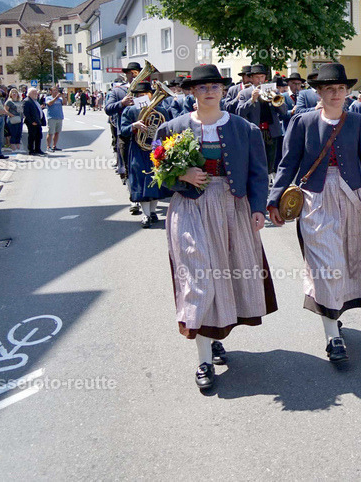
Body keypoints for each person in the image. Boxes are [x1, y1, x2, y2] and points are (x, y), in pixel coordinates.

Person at [153, 64, 278, 391]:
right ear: (192, 91)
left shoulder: (244, 129)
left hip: (231, 207)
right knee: (198, 276)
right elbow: (156, 174)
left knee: (227, 274)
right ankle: (203, 361)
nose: (208, 91)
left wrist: (257, 208)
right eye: (201, 87)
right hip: (191, 207)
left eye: (214, 86)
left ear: (223, 90)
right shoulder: (172, 128)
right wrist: (182, 176)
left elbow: (257, 173)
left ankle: (213, 334)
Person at [268, 62, 361, 363]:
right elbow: (287, 164)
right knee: (325, 263)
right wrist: (274, 199)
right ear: (319, 92)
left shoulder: (359, 123)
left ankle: (333, 314)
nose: (336, 94)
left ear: (347, 91)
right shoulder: (302, 123)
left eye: (341, 88)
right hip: (315, 199)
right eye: (330, 89)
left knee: (347, 258)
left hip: (353, 197)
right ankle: (332, 336)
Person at [119, 81, 173, 227]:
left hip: (156, 147)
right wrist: (133, 126)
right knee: (141, 180)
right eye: (138, 95)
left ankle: (153, 211)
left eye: (145, 94)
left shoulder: (161, 111)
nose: (141, 97)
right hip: (138, 149)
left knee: (156, 179)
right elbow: (122, 130)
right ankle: (146, 214)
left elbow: (168, 130)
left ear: (151, 95)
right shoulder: (130, 111)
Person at [235, 65, 282, 175]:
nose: (260, 80)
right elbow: (239, 112)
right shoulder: (245, 93)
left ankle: (267, 184)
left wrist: (275, 99)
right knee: (256, 161)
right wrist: (252, 100)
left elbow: (283, 111)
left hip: (271, 132)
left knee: (270, 163)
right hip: (255, 132)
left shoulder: (273, 91)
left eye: (262, 77)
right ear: (251, 78)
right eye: (257, 77)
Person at [104, 63, 141, 196]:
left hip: (144, 133)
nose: (134, 75)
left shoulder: (145, 90)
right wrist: (122, 103)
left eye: (137, 72)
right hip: (124, 133)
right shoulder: (117, 91)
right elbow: (108, 109)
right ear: (127, 74)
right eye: (131, 73)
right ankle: (132, 193)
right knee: (127, 166)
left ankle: (145, 196)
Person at [22, 87, 46, 156]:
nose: (36, 94)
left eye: (36, 93)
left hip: (38, 121)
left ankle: (38, 149)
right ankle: (31, 150)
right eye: (34, 93)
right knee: (32, 136)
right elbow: (26, 113)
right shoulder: (27, 101)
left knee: (38, 136)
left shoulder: (35, 101)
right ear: (29, 93)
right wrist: (31, 121)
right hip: (32, 122)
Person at [45, 86, 65, 152]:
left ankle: (54, 146)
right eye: (54, 90)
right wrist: (56, 98)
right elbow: (49, 104)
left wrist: (63, 96)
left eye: (56, 90)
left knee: (57, 132)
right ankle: (48, 146)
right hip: (51, 117)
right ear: (51, 92)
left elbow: (65, 103)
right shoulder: (48, 98)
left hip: (59, 117)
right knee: (50, 132)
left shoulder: (60, 99)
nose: (56, 91)